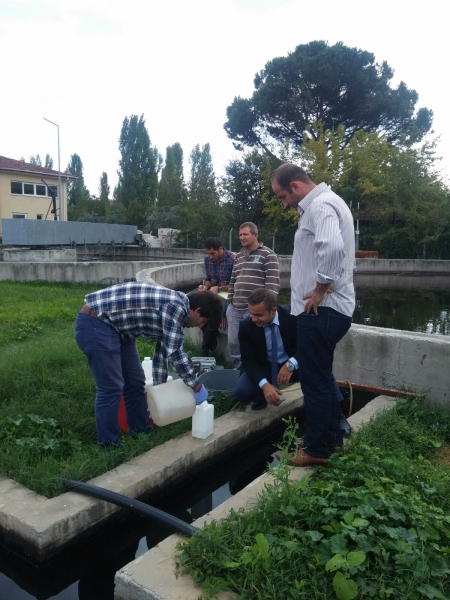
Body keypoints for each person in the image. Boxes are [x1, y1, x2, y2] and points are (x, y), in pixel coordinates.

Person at [272, 163, 355, 467]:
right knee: (321, 376)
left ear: (295, 186)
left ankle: (316, 450)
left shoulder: (320, 205)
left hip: (321, 310)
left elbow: (331, 247)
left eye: (282, 196)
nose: (284, 204)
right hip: (325, 311)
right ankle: (329, 439)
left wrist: (321, 288)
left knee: (314, 382)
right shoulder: (325, 203)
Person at [75, 282, 223, 448]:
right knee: (111, 387)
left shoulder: (177, 307)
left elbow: (162, 352)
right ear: (197, 311)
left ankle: (140, 431)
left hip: (120, 329)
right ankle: (109, 444)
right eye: (202, 322)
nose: (198, 326)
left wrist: (161, 390)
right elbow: (175, 353)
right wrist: (195, 385)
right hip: (97, 323)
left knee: (135, 381)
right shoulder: (176, 308)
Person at [226, 222, 280, 369]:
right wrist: (229, 301)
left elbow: (272, 285)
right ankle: (240, 371)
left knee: (256, 344)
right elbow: (233, 280)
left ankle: (258, 373)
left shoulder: (268, 255)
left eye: (245, 234)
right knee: (233, 342)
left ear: (255, 235)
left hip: (254, 312)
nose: (242, 237)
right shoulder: (238, 256)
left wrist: (265, 309)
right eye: (240, 235)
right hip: (235, 308)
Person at [236, 289, 299, 410]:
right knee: (243, 390)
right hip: (267, 365)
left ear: (273, 311)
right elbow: (248, 361)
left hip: (293, 362)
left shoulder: (292, 316)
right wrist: (264, 385)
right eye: (251, 313)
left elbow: (307, 346)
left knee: (320, 371)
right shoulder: (246, 326)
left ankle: (335, 411)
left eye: (259, 315)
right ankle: (263, 397)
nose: (254, 319)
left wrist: (291, 364)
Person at [198, 237, 235, 356]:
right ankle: (211, 340)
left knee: (214, 312)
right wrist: (205, 286)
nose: (210, 256)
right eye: (207, 253)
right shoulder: (207, 260)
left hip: (229, 295)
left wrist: (218, 288)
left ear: (220, 249)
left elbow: (237, 285)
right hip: (213, 292)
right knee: (197, 309)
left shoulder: (233, 259)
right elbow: (209, 279)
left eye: (212, 253)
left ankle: (205, 349)